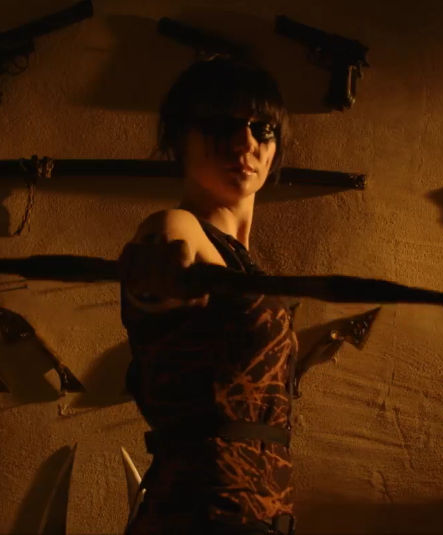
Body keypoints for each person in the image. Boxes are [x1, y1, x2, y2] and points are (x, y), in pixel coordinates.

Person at [118, 57, 299, 535]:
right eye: (221, 125)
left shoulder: (243, 265)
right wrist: (158, 275)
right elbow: (164, 251)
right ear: (179, 139)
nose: (245, 143)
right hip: (201, 515)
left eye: (262, 129)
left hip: (257, 517)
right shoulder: (177, 228)